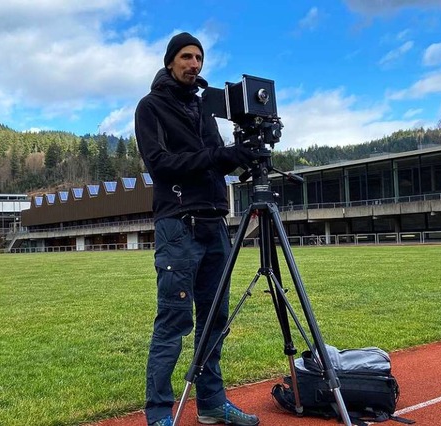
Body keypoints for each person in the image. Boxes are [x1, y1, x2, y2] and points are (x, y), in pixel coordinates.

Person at [135, 32, 260, 426]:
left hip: (215, 225)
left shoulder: (205, 109)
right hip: (179, 225)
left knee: (215, 320)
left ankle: (210, 403)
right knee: (173, 320)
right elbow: (161, 163)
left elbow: (214, 160)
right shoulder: (150, 107)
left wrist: (238, 156)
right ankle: (158, 413)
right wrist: (219, 155)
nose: (194, 64)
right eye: (187, 57)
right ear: (171, 61)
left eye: (199, 58)